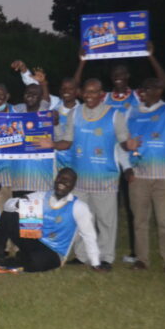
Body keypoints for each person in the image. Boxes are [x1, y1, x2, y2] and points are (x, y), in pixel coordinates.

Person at [73, 42, 165, 264]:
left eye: (122, 74)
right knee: (107, 207)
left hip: (138, 153)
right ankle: (89, 252)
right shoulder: (103, 97)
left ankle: (136, 253)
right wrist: (82, 62)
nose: (119, 77)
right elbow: (78, 89)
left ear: (128, 76)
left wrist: (150, 56)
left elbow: (163, 84)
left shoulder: (136, 94)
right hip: (112, 154)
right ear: (111, 78)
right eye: (115, 74)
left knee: (133, 207)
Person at [38, 78, 139, 270]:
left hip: (105, 178)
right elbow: (67, 141)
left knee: (106, 220)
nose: (90, 96)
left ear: (101, 94)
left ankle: (106, 257)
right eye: (87, 92)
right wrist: (52, 144)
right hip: (80, 179)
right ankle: (82, 255)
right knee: (80, 218)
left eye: (94, 92)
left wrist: (130, 145)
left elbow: (124, 142)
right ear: (82, 93)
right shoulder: (75, 114)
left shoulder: (114, 115)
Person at [126, 39, 165, 274]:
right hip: (139, 176)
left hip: (164, 177)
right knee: (140, 221)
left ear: (158, 91)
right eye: (143, 88)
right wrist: (127, 163)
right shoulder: (131, 113)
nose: (145, 91)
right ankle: (141, 259)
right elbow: (120, 144)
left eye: (150, 88)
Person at [0, 168, 104, 273]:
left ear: (73, 185)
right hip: (35, 239)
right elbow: (7, 207)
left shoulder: (78, 207)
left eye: (68, 180)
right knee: (10, 214)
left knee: (38, 262)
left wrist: (95, 263)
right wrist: (18, 203)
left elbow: (89, 235)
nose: (63, 182)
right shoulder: (41, 196)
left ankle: (18, 260)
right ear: (55, 179)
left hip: (54, 251)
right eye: (61, 178)